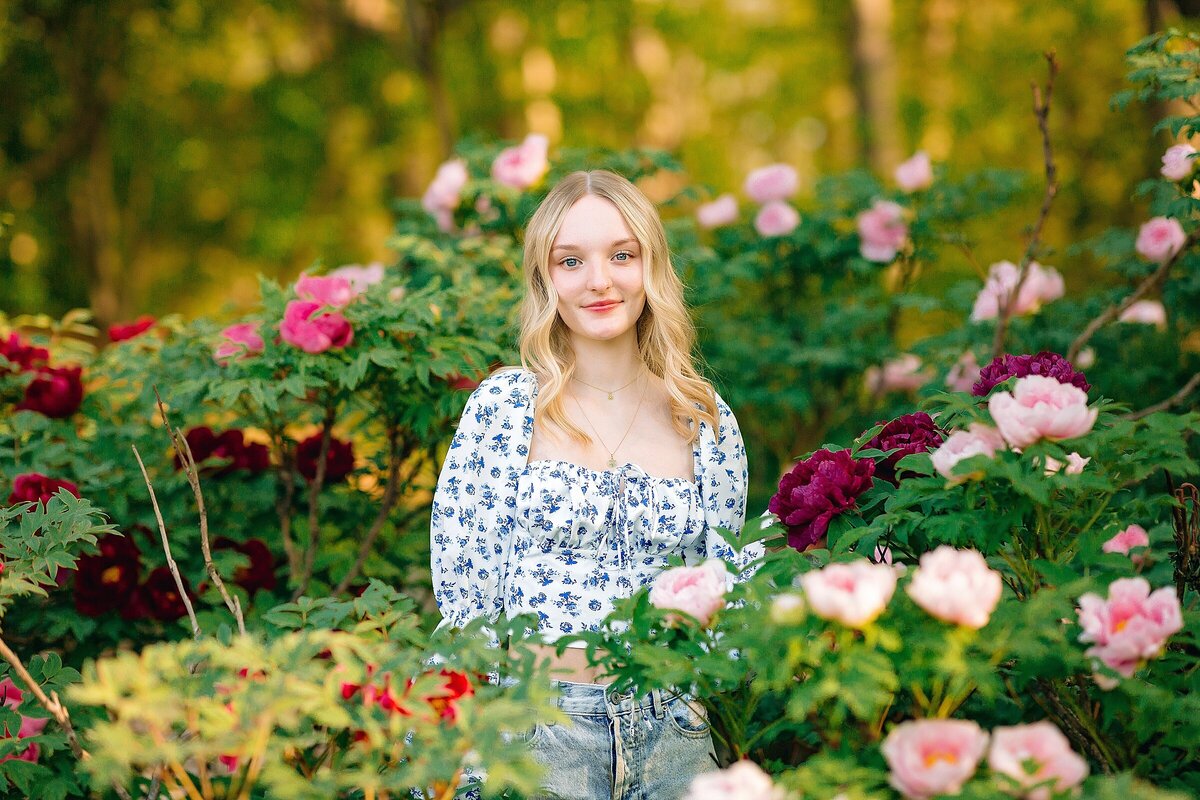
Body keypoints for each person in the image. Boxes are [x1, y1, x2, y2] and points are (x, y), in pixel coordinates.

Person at [430, 169, 762, 800]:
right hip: (537, 737)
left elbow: (725, 591)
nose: (599, 280)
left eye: (621, 255)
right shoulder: (506, 408)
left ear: (650, 266)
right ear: (545, 277)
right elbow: (468, 599)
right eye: (572, 260)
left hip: (675, 734)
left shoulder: (705, 418)